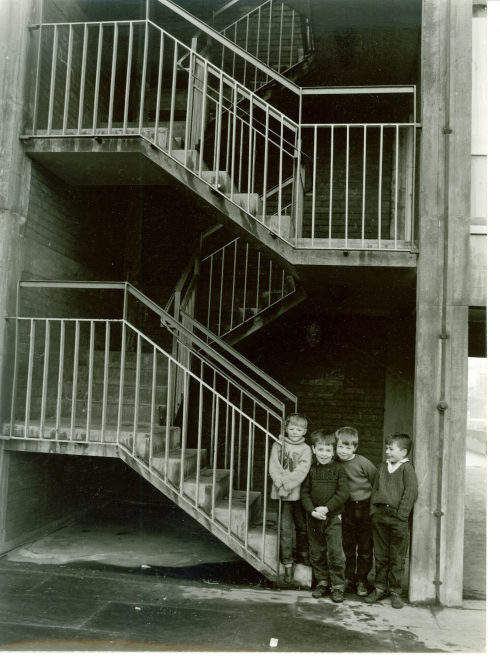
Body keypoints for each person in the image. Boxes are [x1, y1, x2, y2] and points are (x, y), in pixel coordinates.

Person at [366, 432, 418, 609]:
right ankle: (379, 588)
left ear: (403, 452)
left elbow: (410, 493)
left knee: (396, 556)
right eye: (386, 448)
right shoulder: (382, 467)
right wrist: (374, 511)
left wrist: (401, 516)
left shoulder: (407, 469)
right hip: (380, 516)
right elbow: (375, 489)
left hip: (397, 519)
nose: (387, 451)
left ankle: (395, 591)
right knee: (380, 555)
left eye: (391, 449)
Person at [301, 429, 350, 602]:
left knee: (336, 552)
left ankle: (337, 586)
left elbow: (343, 493)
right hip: (314, 518)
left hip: (333, 517)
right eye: (320, 449)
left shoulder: (338, 470)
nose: (324, 454)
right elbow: (304, 493)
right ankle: (322, 582)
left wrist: (327, 509)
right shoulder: (311, 470)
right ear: (314, 450)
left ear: (334, 451)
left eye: (328, 450)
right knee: (317, 551)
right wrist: (312, 511)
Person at [269, 413, 312, 583]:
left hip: (298, 494)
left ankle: (303, 556)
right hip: (282, 494)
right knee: (285, 529)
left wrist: (287, 485)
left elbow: (303, 469)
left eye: (299, 429)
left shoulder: (306, 449)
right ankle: (287, 563)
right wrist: (281, 484)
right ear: (286, 428)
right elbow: (274, 466)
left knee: (302, 528)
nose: (295, 432)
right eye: (292, 428)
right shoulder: (278, 444)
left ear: (305, 431)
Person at [335, 426, 377, 597]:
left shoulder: (363, 463)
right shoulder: (335, 464)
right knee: (347, 545)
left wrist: (373, 508)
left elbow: (376, 483)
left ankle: (362, 580)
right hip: (347, 509)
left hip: (365, 507)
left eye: (348, 447)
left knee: (366, 547)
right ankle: (348, 578)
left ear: (355, 448)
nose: (343, 451)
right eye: (340, 447)